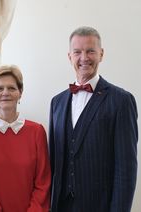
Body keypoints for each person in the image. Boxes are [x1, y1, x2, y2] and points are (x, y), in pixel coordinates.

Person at [49, 26, 138, 212]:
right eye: (77, 52)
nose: (84, 58)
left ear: (101, 54)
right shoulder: (57, 102)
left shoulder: (121, 100)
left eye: (90, 51)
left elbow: (126, 169)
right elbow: (54, 162)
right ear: (69, 57)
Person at [0, 65, 51, 211]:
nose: (5, 93)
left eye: (11, 88)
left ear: (20, 93)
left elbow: (43, 181)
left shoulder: (36, 131)